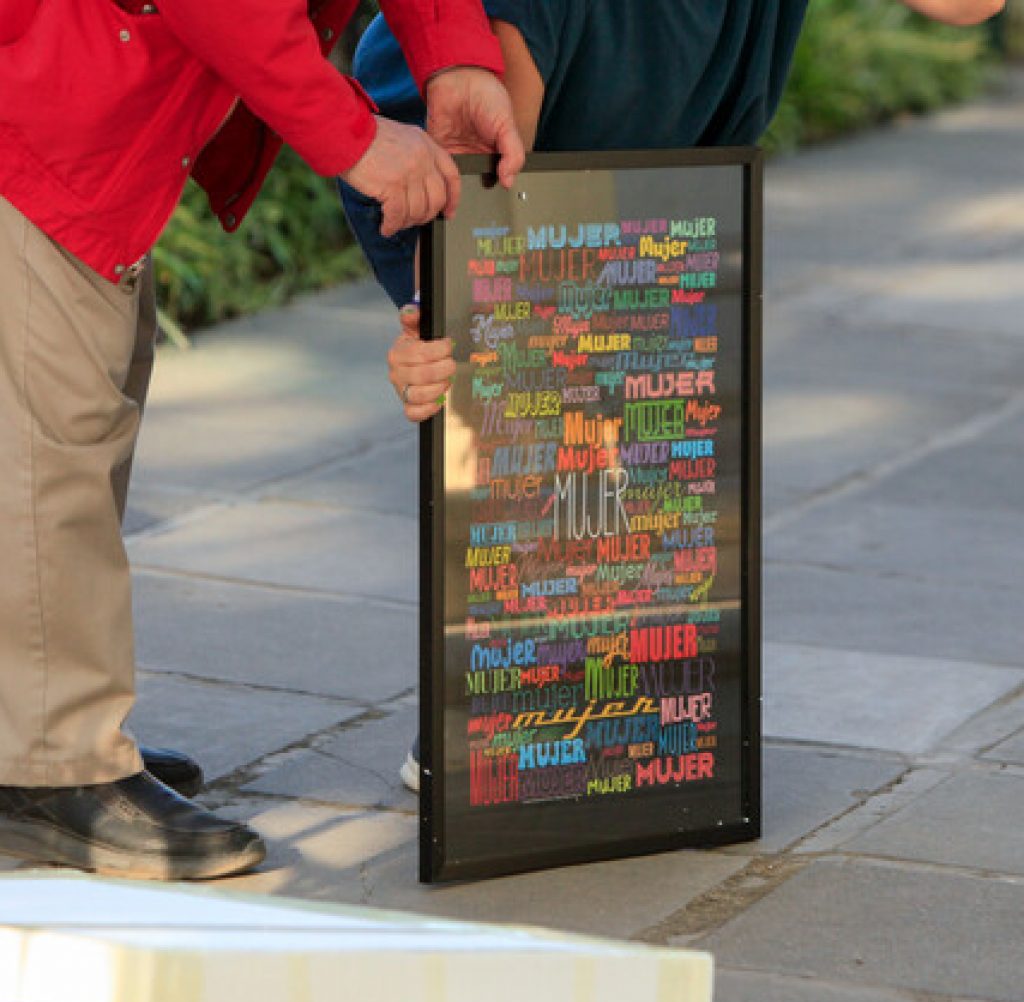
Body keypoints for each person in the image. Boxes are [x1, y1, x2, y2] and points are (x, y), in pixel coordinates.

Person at [337, 0, 1005, 790]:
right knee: (547, 412)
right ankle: (491, 731)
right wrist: (433, 322)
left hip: (658, 148)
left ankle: (592, 703)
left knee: (644, 434)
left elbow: (969, 6)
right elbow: (485, 201)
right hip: (475, 151)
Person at [0, 0, 524, 881]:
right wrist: (356, 139)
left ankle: (36, 717)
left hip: (94, 115)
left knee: (77, 414)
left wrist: (452, 59)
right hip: (41, 119)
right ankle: (50, 769)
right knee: (49, 451)